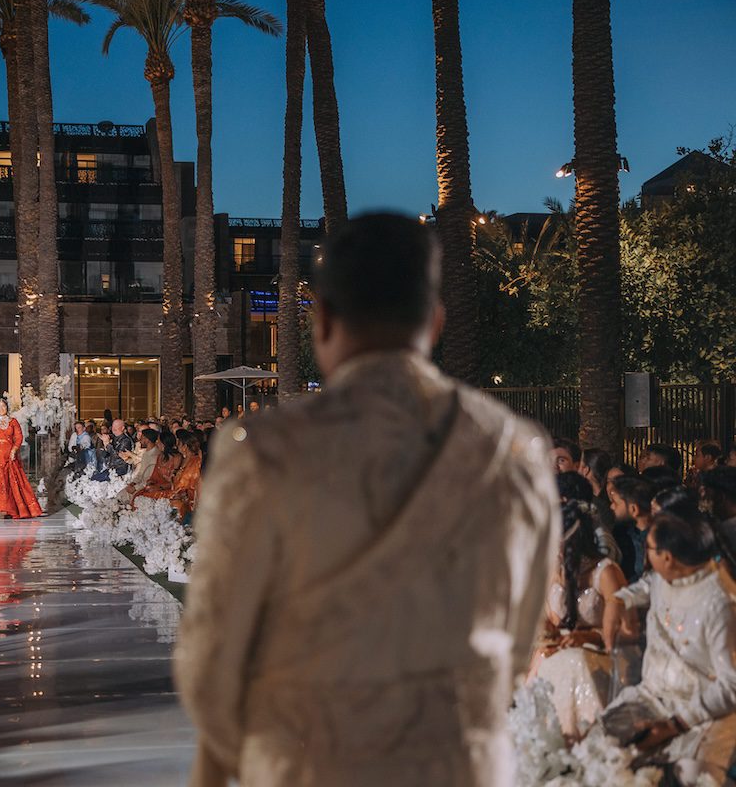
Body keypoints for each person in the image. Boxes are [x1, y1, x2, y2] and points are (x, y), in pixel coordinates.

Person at [174, 213, 559, 786]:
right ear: (436, 321)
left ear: (322, 320)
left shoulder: (264, 453)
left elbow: (211, 666)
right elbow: (521, 642)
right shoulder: (518, 451)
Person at [601, 513, 736, 783]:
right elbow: (646, 586)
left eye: (649, 548)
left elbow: (731, 685)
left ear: (667, 557)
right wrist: (617, 601)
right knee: (601, 747)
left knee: (686, 775)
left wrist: (675, 724)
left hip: (703, 712)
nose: (645, 552)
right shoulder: (666, 577)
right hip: (653, 697)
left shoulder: (720, 603)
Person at [529, 474, 629, 737]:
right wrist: (547, 634)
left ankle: (584, 737)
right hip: (558, 652)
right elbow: (550, 620)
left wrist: (585, 637)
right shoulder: (552, 571)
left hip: (598, 653)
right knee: (545, 659)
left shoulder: (605, 572)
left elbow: (625, 632)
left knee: (575, 662)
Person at [610, 475, 656, 582]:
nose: (611, 507)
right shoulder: (618, 534)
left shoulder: (659, 539)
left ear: (634, 509)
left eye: (615, 503)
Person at [168, 431, 203, 521]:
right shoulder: (183, 460)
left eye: (179, 444)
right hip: (175, 494)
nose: (177, 446)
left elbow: (195, 486)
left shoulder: (196, 462)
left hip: (188, 500)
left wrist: (183, 494)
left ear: (185, 447)